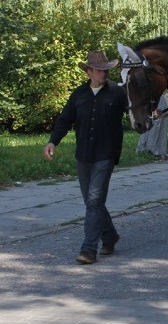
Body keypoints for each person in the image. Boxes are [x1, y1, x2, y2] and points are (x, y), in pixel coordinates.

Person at [44, 50, 129, 265]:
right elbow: (65, 120)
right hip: (83, 155)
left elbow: (135, 113)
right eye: (100, 70)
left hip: (106, 154)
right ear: (89, 72)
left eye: (106, 70)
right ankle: (109, 236)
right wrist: (53, 141)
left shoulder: (118, 93)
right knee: (92, 202)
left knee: (93, 200)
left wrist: (151, 114)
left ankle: (89, 249)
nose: (104, 74)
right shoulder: (78, 94)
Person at [136, 90, 168, 160]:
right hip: (149, 99)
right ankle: (149, 151)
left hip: (159, 98)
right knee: (152, 125)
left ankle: (161, 152)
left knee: (162, 127)